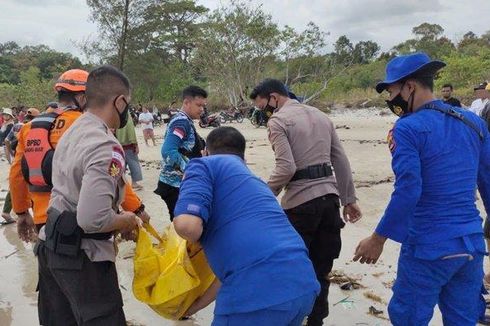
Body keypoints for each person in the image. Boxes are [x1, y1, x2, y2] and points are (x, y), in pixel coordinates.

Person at [353, 52, 490, 325]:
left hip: (428, 247)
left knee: (408, 318)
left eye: (391, 91)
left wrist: (377, 239)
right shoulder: (474, 123)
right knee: (463, 319)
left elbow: (408, 190)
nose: (390, 100)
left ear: (410, 87)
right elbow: (487, 182)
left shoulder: (406, 128)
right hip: (470, 246)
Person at [173, 126, 320, 325]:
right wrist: (194, 307)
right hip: (303, 286)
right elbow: (230, 272)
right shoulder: (257, 184)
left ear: (205, 152)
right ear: (244, 158)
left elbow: (187, 226)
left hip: (256, 294)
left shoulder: (203, 165)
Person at [36, 65, 146, 325]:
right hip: (82, 259)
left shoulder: (72, 131)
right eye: (127, 103)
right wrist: (128, 220)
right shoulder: (104, 145)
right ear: (119, 101)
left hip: (50, 248)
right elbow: (92, 219)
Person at [250, 79, 362, 326]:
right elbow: (340, 160)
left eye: (263, 108)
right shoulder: (321, 116)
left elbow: (286, 167)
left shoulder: (278, 121)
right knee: (321, 269)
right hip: (330, 201)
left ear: (274, 98)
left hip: (300, 205)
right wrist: (349, 199)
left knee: (292, 269)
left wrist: (265, 196)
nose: (264, 113)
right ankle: (316, 320)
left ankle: (292, 318)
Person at [10, 69, 147, 242]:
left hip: (45, 218)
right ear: (83, 97)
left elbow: (17, 173)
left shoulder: (30, 127)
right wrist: (136, 210)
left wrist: (21, 212)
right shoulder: (86, 127)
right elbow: (111, 173)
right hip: (79, 224)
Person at [154, 86, 206, 220]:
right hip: (175, 185)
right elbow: (168, 151)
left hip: (178, 183)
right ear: (186, 102)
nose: (202, 109)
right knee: (184, 226)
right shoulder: (181, 122)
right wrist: (190, 170)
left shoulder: (185, 121)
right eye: (198, 105)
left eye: (203, 106)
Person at [115, 111, 144, 190]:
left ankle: (120, 184)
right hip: (128, 145)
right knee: (134, 164)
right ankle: (134, 183)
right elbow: (131, 130)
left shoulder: (115, 115)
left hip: (118, 144)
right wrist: (135, 144)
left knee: (121, 165)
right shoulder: (126, 115)